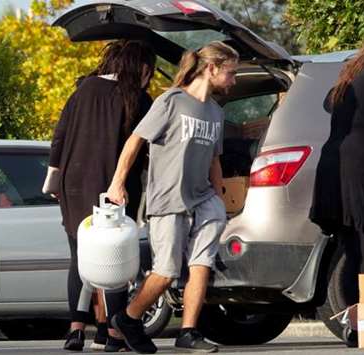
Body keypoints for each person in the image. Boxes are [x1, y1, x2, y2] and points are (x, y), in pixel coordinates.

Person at [106, 41, 239, 354]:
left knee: (202, 263)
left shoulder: (216, 113)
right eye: (230, 73)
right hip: (168, 201)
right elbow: (135, 141)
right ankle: (128, 318)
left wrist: (219, 197)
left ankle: (189, 331)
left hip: (203, 199)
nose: (233, 80)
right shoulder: (171, 101)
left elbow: (213, 159)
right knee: (165, 273)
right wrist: (117, 183)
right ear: (212, 68)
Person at [48, 39, 156, 352]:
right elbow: (146, 147)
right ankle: (111, 334)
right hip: (116, 187)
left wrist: (54, 182)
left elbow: (59, 137)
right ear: (142, 68)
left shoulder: (82, 90)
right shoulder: (138, 98)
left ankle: (76, 330)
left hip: (74, 184)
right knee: (115, 259)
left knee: (79, 258)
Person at [310, 24, 364, 345]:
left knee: (356, 250)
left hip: (338, 178)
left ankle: (357, 325)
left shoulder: (351, 80)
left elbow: (327, 104)